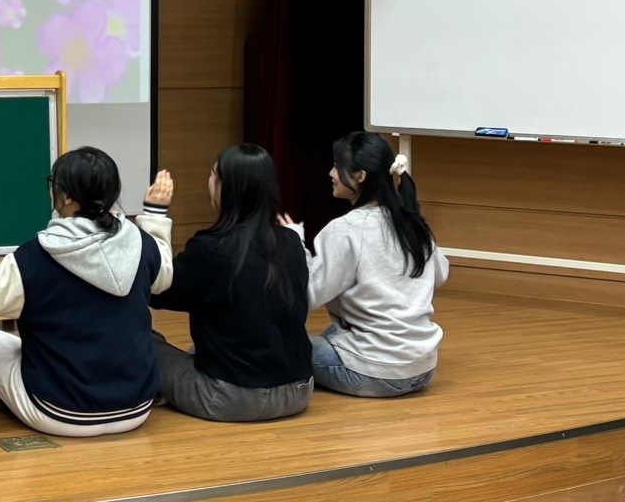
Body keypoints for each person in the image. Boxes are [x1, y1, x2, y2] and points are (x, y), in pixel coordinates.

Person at [0, 146, 175, 436]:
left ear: (65, 196)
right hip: (136, 408)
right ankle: (13, 397)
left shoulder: (35, 258)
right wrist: (154, 215)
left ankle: (10, 399)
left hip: (61, 413)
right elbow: (163, 276)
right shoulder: (142, 243)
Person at [149, 143, 314, 422]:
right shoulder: (291, 242)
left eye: (214, 175)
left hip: (231, 398)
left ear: (229, 187)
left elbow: (156, 288)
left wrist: (153, 215)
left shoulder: (211, 248)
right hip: (299, 391)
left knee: (144, 340)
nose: (209, 181)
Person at [280, 133, 450, 398]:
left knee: (274, 339)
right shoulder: (413, 224)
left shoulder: (346, 229)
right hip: (423, 368)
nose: (331, 173)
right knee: (334, 331)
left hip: (373, 373)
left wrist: (295, 243)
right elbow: (440, 275)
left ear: (360, 176)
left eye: (337, 165)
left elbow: (310, 294)